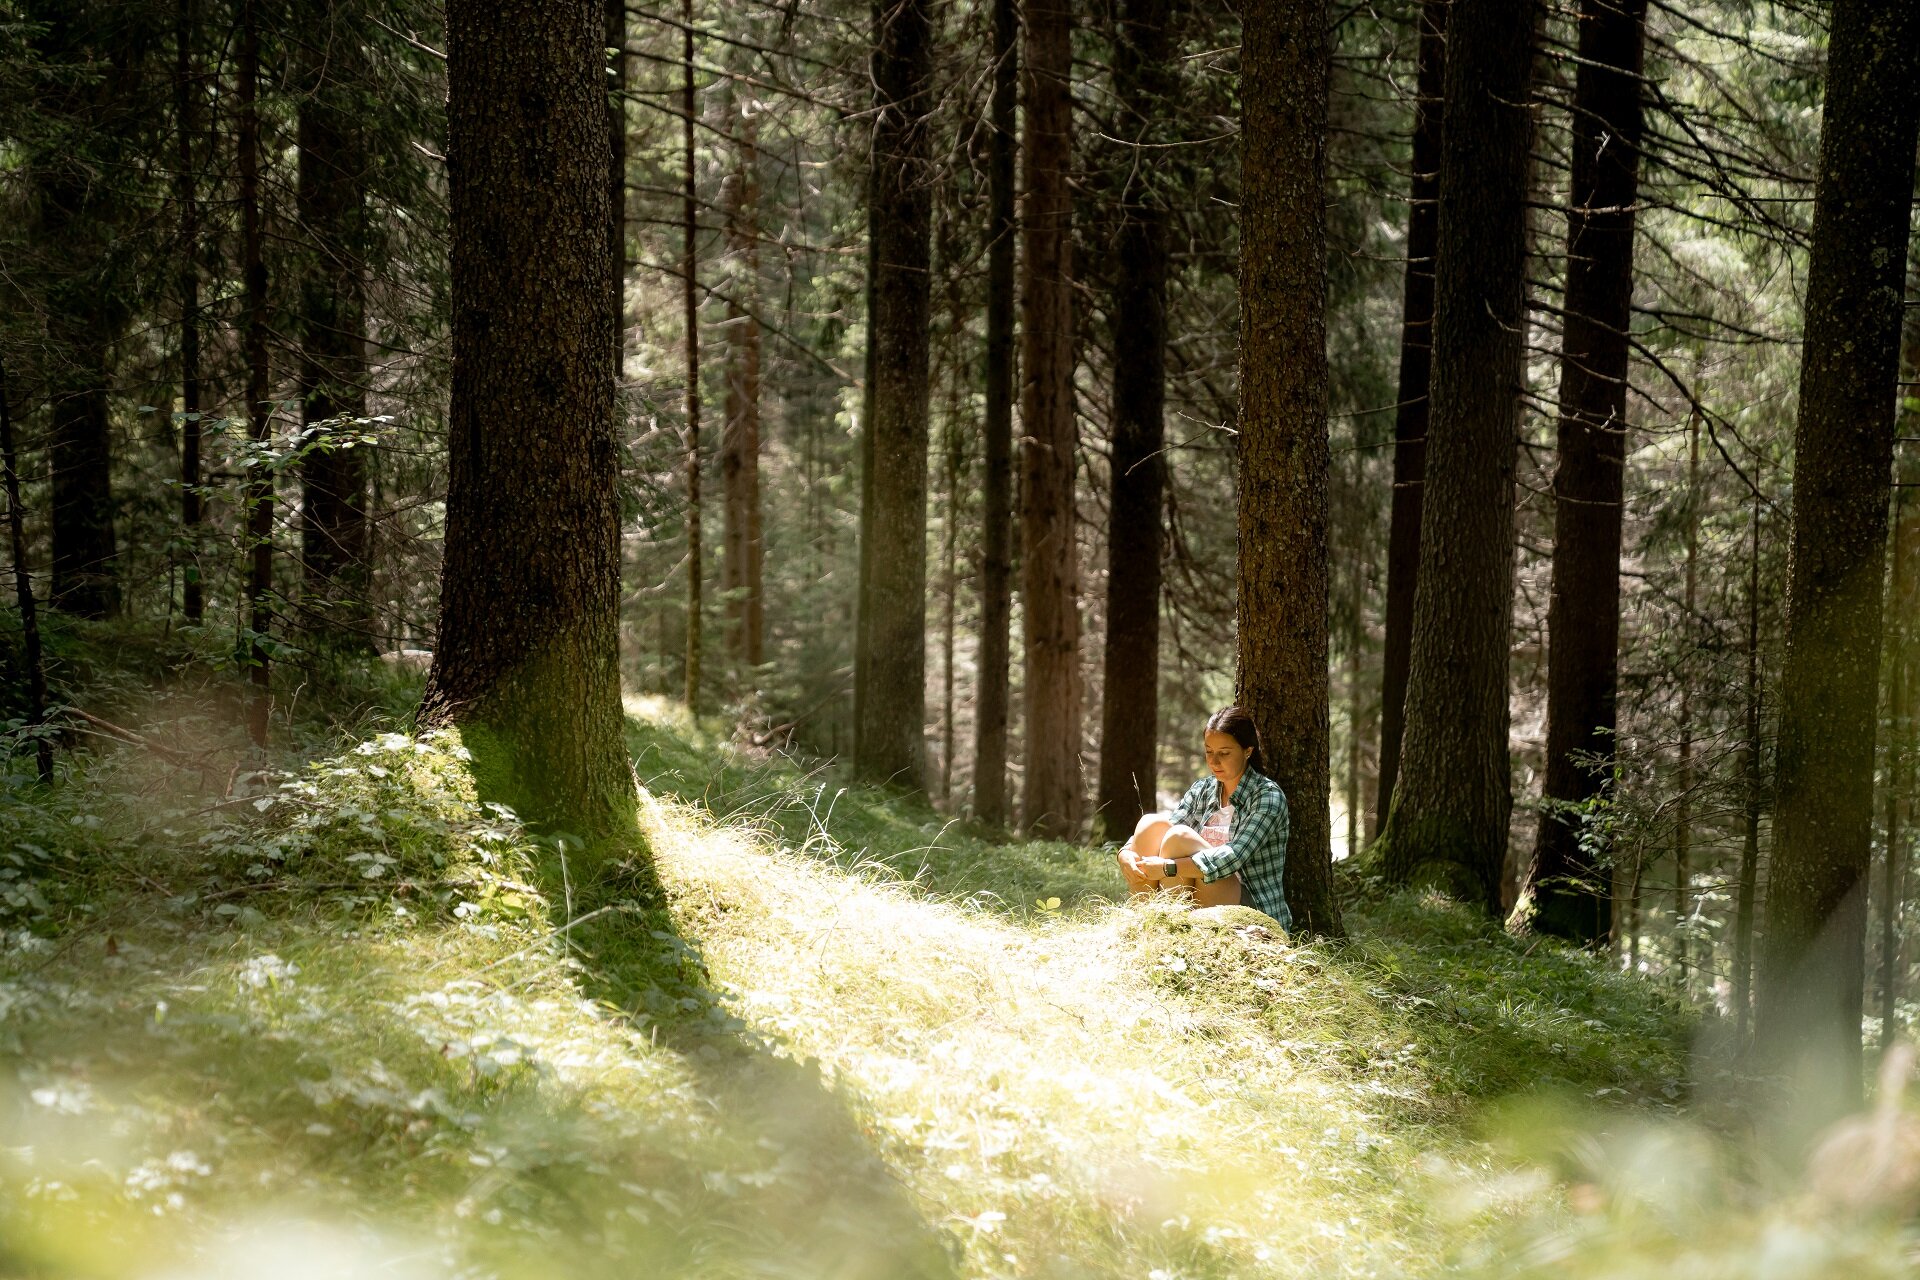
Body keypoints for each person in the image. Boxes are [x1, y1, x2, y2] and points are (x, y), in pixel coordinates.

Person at [1116, 705, 1292, 931]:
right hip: (1196, 895)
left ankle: (1167, 931)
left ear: (1248, 750)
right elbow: (1166, 827)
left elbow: (1233, 858)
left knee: (1179, 838)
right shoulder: (1203, 789)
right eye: (1209, 751)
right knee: (1151, 824)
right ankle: (1144, 928)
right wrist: (1125, 854)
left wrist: (1168, 868)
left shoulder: (1267, 796)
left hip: (1248, 906)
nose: (1214, 761)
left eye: (1224, 753)